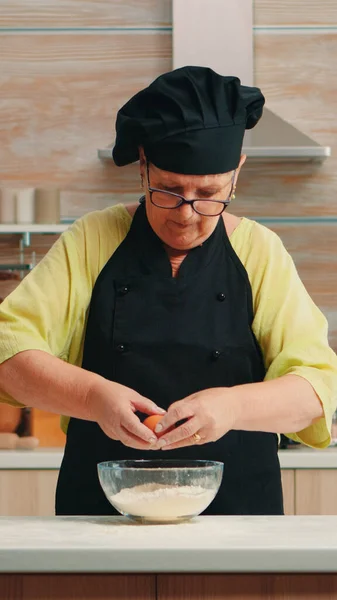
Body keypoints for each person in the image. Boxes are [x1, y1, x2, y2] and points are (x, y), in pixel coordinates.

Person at [0, 66, 336, 516]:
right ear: (143, 167)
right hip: (101, 517)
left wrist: (232, 406)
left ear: (236, 173)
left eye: (209, 194)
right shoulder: (92, 240)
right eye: (169, 191)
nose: (187, 214)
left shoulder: (260, 251)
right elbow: (9, 352)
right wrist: (93, 397)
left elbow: (316, 388)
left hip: (239, 517)